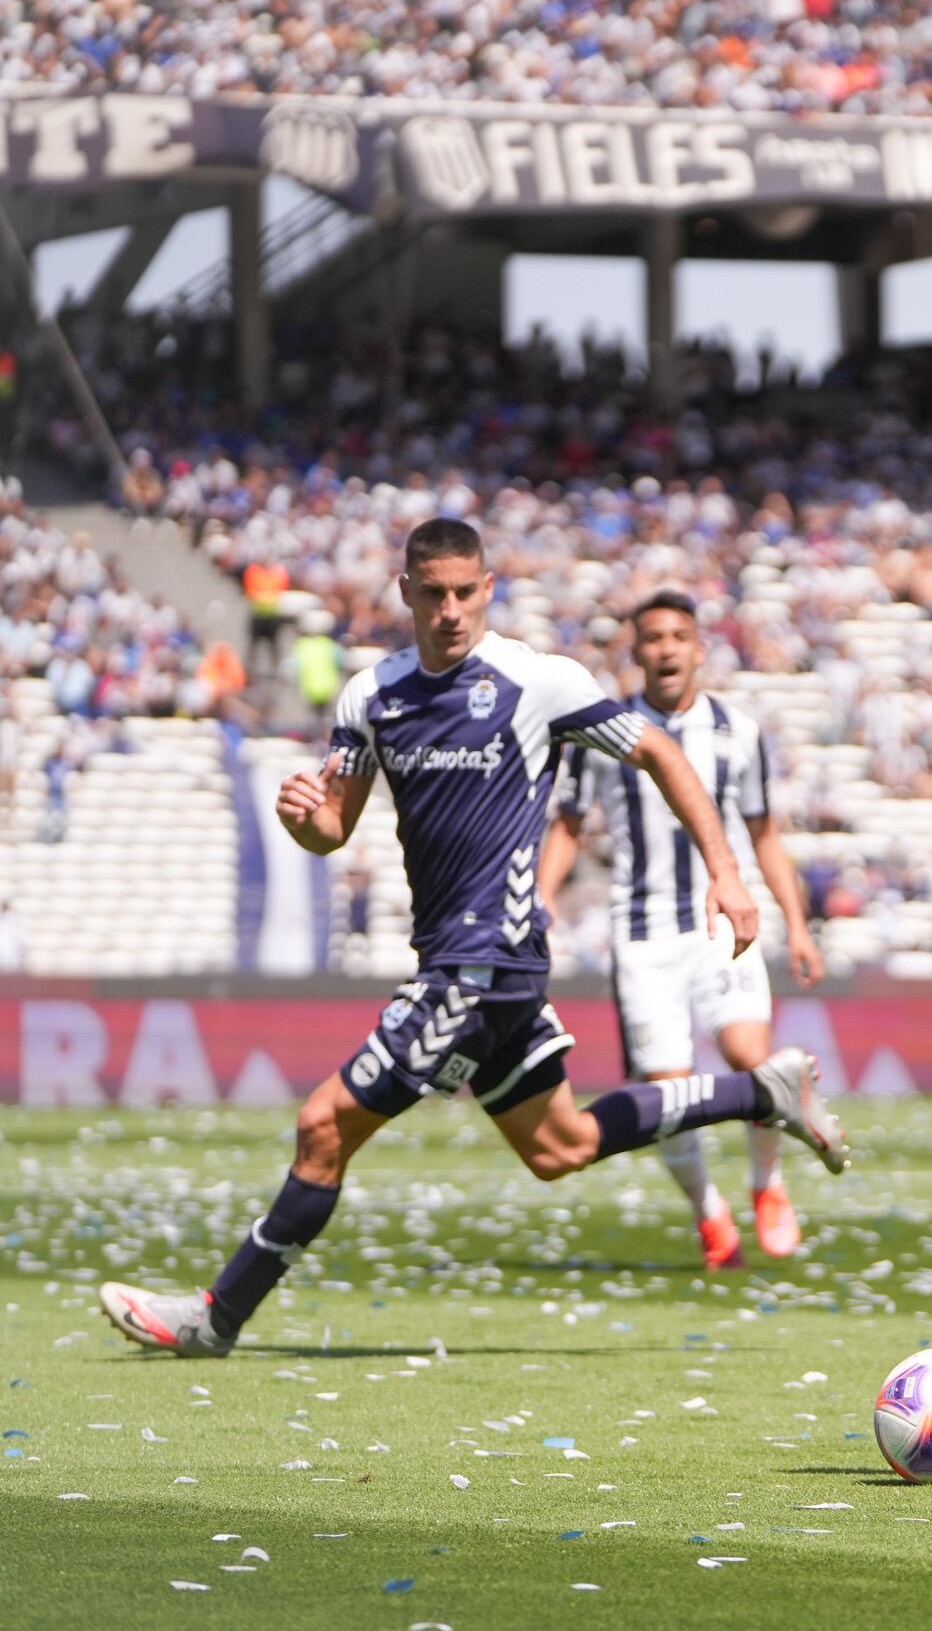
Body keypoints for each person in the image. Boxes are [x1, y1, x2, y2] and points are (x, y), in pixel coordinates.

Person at [97, 520, 849, 1357]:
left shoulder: (539, 681)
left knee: (322, 1125)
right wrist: (305, 821)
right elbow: (334, 827)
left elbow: (662, 752)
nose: (451, 610)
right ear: (406, 593)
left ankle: (216, 1317)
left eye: (466, 591)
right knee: (562, 1146)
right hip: (470, 969)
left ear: (489, 588)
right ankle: (761, 1093)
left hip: (481, 965)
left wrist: (728, 871)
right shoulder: (371, 696)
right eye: (434, 594)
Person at [541, 589, 830, 1271]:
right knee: (667, 1091)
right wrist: (540, 898)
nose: (666, 648)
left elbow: (764, 835)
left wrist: (798, 924)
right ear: (635, 652)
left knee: (752, 1057)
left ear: (698, 648)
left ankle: (767, 1184)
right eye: (653, 638)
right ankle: (710, 1214)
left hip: (717, 920)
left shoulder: (738, 730)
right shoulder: (602, 731)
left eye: (679, 635)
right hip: (641, 933)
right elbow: (570, 824)